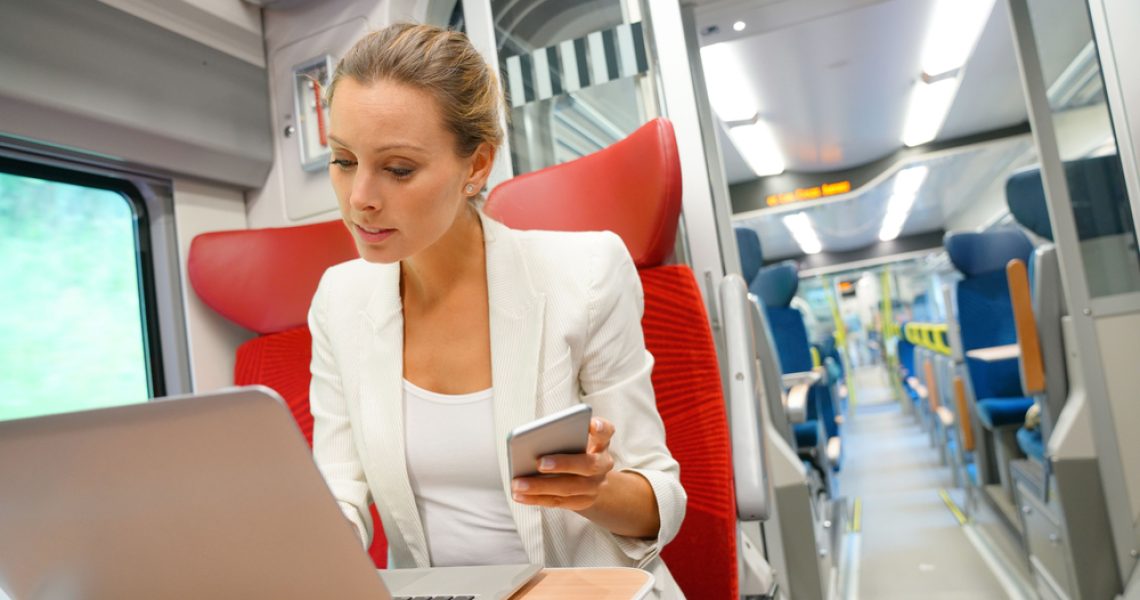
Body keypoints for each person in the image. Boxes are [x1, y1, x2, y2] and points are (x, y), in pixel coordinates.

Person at [307, 23, 687, 598]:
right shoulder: (339, 300)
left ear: (476, 167)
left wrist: (594, 491)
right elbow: (340, 492)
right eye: (342, 160)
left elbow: (661, 501)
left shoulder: (584, 274)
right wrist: (289, 539)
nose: (360, 196)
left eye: (399, 169)